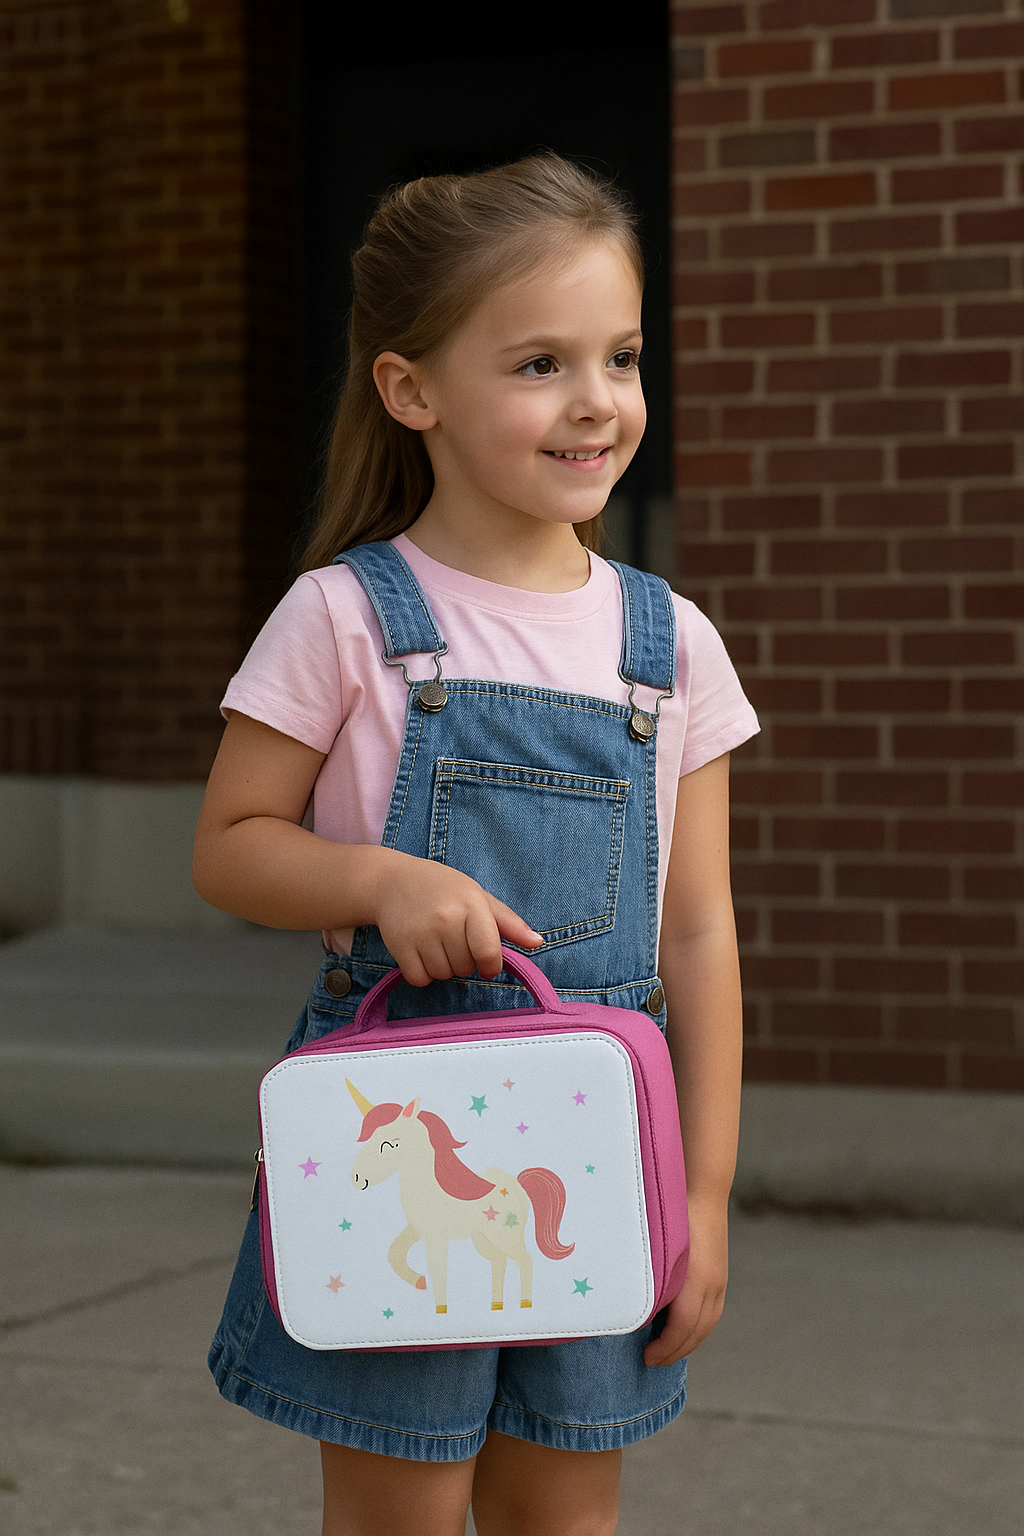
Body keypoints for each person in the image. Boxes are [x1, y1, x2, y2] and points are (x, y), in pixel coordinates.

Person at [193, 152, 758, 1536]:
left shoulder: (665, 642)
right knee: (404, 1516)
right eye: (539, 364)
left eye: (619, 357)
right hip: (399, 1136)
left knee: (563, 1518)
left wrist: (708, 1190)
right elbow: (231, 847)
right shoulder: (344, 618)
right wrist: (376, 878)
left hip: (599, 1146)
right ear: (412, 389)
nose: (597, 402)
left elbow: (697, 933)